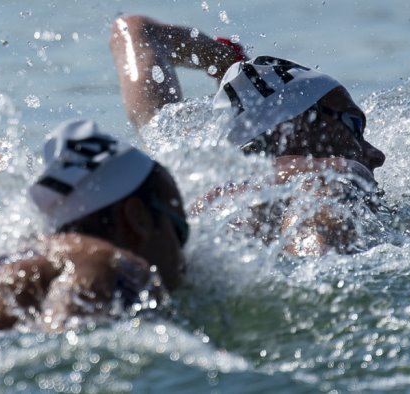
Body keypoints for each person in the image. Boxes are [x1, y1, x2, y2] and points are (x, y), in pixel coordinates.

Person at [110, 15, 386, 254]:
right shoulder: (330, 174)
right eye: (354, 125)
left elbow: (133, 30)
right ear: (294, 130)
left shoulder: (176, 183)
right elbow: (322, 275)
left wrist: (223, 61)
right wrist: (219, 60)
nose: (376, 154)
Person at [0, 120, 189, 340]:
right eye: (179, 231)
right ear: (137, 218)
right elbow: (65, 352)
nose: (184, 255)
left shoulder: (30, 259)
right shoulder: (100, 260)